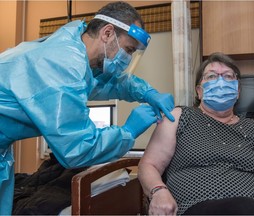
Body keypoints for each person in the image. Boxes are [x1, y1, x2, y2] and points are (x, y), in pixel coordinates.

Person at [0, 1, 175, 214]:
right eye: (128, 50)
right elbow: (76, 149)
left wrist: (147, 92)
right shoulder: (62, 64)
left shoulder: (76, 46)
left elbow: (109, 82)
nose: (128, 60)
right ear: (107, 33)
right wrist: (127, 132)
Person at [138, 52, 254, 215]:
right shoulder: (180, 117)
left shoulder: (252, 128)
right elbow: (148, 165)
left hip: (252, 209)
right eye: (211, 76)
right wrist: (158, 191)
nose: (221, 82)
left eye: (228, 76)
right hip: (194, 208)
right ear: (199, 91)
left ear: (237, 91)